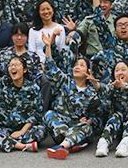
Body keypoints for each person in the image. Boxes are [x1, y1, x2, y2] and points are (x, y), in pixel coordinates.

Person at [42, 31, 102, 160]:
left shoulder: (92, 93)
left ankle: (62, 147)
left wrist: (90, 120)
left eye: (81, 65)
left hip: (78, 127)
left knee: (86, 127)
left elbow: (98, 117)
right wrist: (48, 46)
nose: (77, 67)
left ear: (88, 71)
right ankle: (71, 143)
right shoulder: (65, 81)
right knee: (49, 114)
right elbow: (50, 68)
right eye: (76, 65)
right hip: (62, 127)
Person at [94, 59, 128, 158]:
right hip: (120, 128)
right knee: (116, 115)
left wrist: (125, 86)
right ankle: (104, 142)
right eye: (117, 70)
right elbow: (104, 89)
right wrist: (96, 85)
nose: (120, 72)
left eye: (123, 69)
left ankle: (125, 145)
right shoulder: (113, 86)